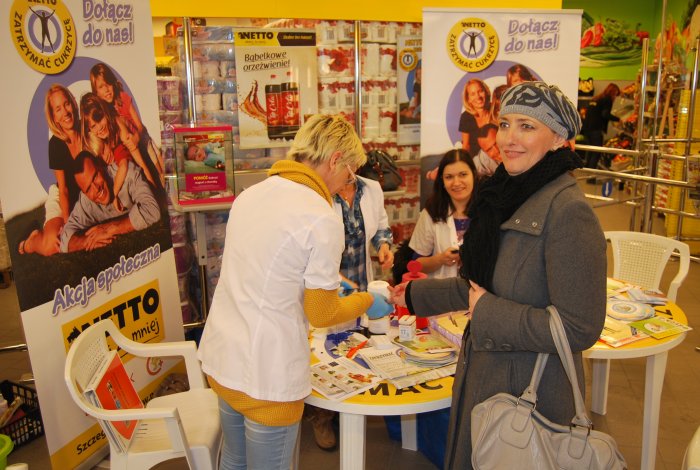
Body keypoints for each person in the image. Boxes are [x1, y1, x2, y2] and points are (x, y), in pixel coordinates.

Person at [390, 81, 607, 469]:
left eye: (527, 126)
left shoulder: (568, 211)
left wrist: (489, 311)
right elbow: (481, 285)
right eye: (505, 124)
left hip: (529, 392)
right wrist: (411, 295)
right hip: (486, 374)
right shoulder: (506, 196)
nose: (509, 138)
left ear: (558, 138)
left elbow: (579, 328)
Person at [196, 114, 393, 470]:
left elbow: (262, 272)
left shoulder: (251, 195)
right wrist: (366, 300)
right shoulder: (321, 216)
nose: (346, 183)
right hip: (266, 375)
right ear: (335, 160)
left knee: (235, 461)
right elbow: (322, 313)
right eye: (349, 173)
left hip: (222, 358)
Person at [306, 173, 395, 451]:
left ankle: (351, 405)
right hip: (327, 284)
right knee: (323, 350)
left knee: (351, 346)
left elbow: (381, 226)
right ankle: (321, 416)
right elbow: (311, 245)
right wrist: (336, 279)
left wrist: (383, 246)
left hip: (360, 281)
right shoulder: (319, 191)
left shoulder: (371, 188)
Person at [19, 85, 83, 256]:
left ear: (73, 104)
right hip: (63, 196)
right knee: (52, 245)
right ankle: (31, 241)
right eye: (58, 109)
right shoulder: (55, 144)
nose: (65, 112)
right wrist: (68, 225)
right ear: (54, 117)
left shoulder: (86, 128)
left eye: (66, 104)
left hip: (85, 196)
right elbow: (64, 189)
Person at [60, 151, 161, 252]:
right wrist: (87, 241)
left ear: (100, 166)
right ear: (84, 193)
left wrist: (111, 229)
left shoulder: (127, 173)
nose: (96, 189)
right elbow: (65, 238)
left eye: (95, 176)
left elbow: (152, 210)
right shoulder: (85, 201)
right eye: (88, 189)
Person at [89, 63, 165, 186]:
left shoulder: (123, 98)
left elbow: (140, 126)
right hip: (128, 144)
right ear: (96, 92)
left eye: (108, 84)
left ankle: (162, 182)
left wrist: (136, 138)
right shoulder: (103, 112)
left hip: (141, 138)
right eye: (101, 87)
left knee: (159, 167)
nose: (107, 89)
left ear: (113, 83)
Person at [81, 93, 160, 208]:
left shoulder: (119, 126)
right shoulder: (96, 141)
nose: (99, 127)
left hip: (141, 145)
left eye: (100, 119)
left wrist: (155, 194)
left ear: (105, 113)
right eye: (93, 126)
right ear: (89, 129)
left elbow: (141, 164)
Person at [409, 149, 477, 279]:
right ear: (442, 181)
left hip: (479, 290)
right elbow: (417, 265)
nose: (456, 182)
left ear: (473, 175)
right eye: (449, 177)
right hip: (441, 289)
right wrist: (440, 259)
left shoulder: (488, 210)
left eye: (463, 174)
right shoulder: (431, 213)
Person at [458, 79, 499, 176]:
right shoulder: (466, 117)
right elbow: (466, 145)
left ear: (486, 91)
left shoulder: (495, 108)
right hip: (478, 159)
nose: (478, 97)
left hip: (498, 156)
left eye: (480, 91)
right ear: (468, 99)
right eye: (473, 94)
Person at [582, 83, 621, 172]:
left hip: (587, 128)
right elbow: (605, 114)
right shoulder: (607, 99)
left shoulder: (597, 98)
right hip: (596, 129)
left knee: (590, 151)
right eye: (615, 95)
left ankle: (586, 172)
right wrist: (618, 119)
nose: (615, 97)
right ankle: (591, 175)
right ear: (612, 93)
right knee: (596, 152)